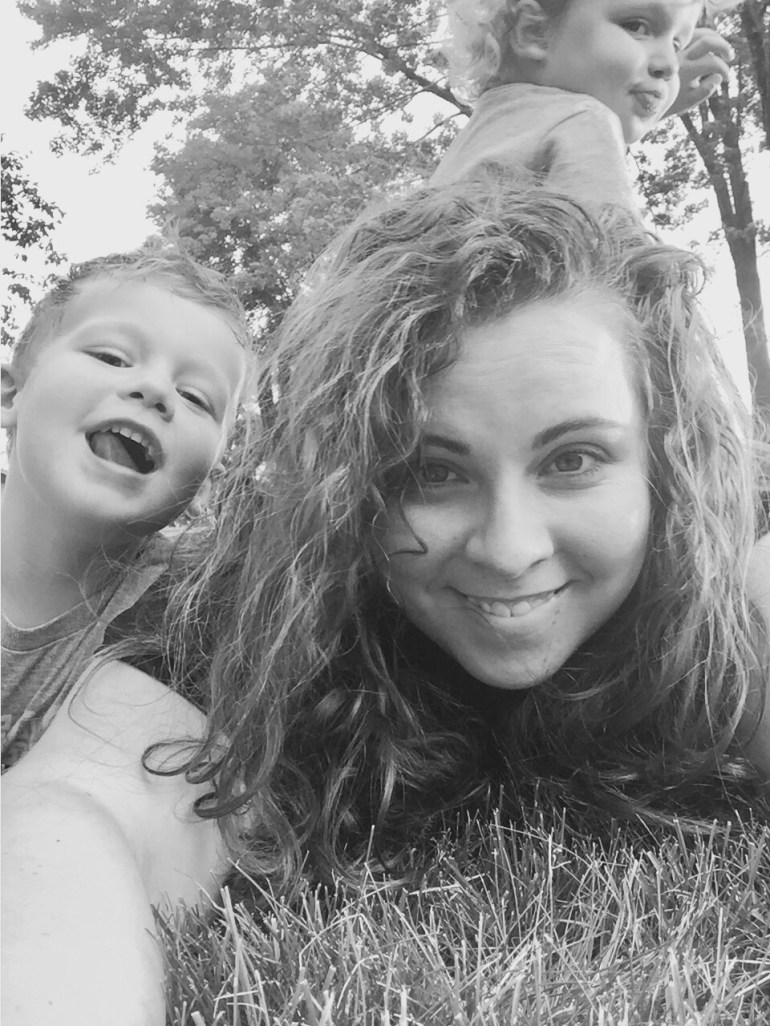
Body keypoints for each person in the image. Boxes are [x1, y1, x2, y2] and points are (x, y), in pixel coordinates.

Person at [3, 181, 769, 1026]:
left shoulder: (734, 598)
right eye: (432, 472)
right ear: (353, 486)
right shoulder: (258, 606)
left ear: (666, 458)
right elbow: (82, 809)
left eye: (574, 460)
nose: (509, 549)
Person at [1, 246, 250, 771]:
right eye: (112, 358)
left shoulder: (195, 610)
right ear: (10, 395)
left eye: (196, 397)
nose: (155, 390)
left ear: (206, 484)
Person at [433, 0, 740, 211]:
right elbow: (610, 256)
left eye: (676, 44)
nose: (671, 65)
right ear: (535, 32)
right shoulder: (585, 121)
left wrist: (650, 105)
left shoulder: (487, 129)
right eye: (636, 26)